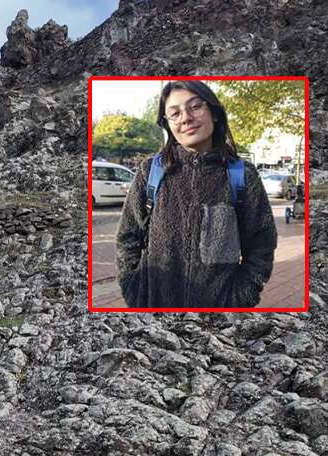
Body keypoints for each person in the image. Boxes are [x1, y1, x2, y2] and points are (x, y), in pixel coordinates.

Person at [115, 80, 277, 308]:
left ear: (214, 112)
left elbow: (261, 244)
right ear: (167, 124)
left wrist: (241, 297)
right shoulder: (150, 172)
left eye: (195, 106)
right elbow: (127, 237)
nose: (186, 118)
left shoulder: (242, 175)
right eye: (174, 113)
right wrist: (134, 291)